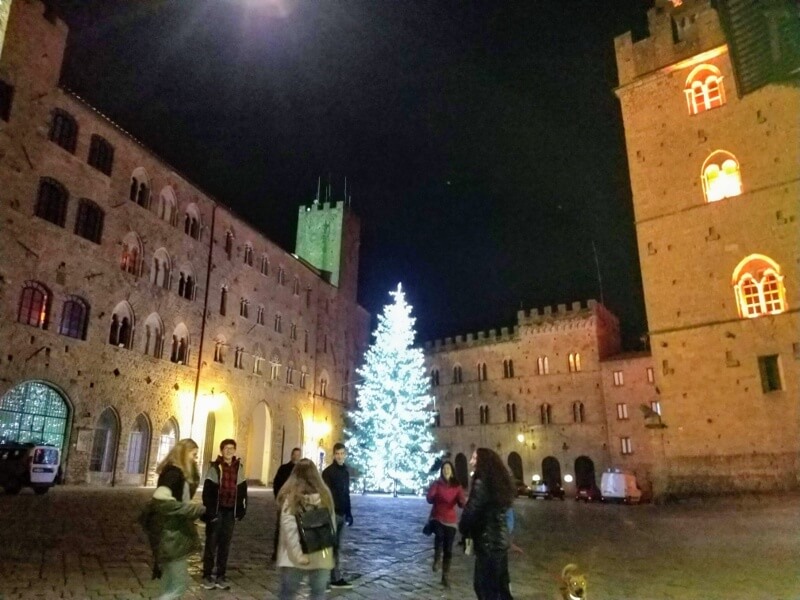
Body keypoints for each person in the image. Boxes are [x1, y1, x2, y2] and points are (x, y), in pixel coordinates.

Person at [140, 438, 205, 600]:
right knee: (178, 587)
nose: (195, 459)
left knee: (168, 584)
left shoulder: (174, 472)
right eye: (193, 455)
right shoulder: (173, 474)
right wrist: (196, 509)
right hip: (170, 534)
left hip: (170, 534)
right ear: (184, 453)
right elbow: (161, 500)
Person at [459, 448, 516, 600]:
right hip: (499, 542)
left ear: (483, 461)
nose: (471, 462)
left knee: (484, 587)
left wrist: (463, 528)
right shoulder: (498, 482)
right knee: (501, 587)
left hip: (488, 542)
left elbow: (472, 509)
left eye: (474, 458)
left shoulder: (481, 481)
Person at [276, 458, 337, 600]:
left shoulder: (290, 497)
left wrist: (298, 555)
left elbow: (290, 530)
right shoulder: (325, 495)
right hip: (321, 553)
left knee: (287, 594)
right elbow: (331, 525)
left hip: (293, 557)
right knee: (318, 594)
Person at [201, 438, 248, 590]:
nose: (229, 451)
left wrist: (241, 509)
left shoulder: (238, 468)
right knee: (211, 543)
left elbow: (243, 490)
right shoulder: (215, 467)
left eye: (232, 448)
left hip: (230, 511)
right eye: (226, 448)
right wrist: (210, 510)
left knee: (225, 545)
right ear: (221, 451)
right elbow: (207, 490)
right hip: (217, 510)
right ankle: (207, 575)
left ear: (235, 451)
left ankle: (221, 575)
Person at [426, 460, 465, 587]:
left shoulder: (457, 486)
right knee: (439, 535)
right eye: (444, 469)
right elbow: (429, 499)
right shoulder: (437, 484)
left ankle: (445, 576)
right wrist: (431, 493)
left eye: (448, 468)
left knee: (448, 549)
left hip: (451, 520)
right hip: (437, 516)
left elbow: (461, 502)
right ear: (441, 471)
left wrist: (462, 501)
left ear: (452, 471)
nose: (446, 470)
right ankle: (437, 557)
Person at [321, 442, 353, 589]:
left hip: (341, 513)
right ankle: (327, 578)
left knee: (336, 547)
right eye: (337, 454)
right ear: (334, 455)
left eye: (342, 454)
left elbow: (346, 494)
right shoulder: (328, 473)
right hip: (331, 513)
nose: (340, 456)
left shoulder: (345, 472)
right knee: (329, 547)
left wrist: (349, 512)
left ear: (345, 455)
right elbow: (326, 495)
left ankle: (334, 577)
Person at [272, 447, 302, 561]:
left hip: (298, 503)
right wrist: (278, 498)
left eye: (298, 455)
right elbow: (277, 484)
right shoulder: (284, 469)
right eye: (295, 454)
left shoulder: (301, 470)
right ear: (292, 455)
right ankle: (277, 552)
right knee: (280, 528)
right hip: (284, 502)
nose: (296, 456)